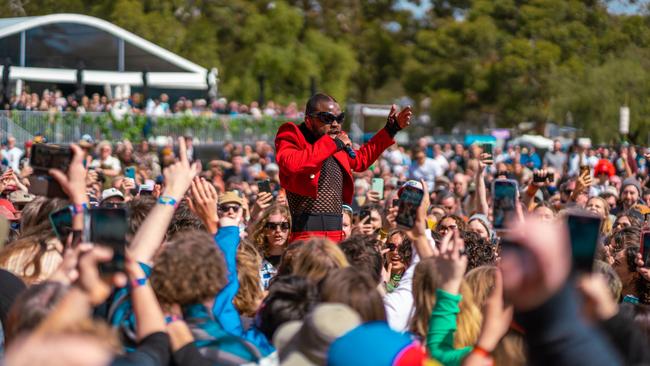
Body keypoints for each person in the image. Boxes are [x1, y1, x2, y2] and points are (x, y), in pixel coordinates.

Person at [275, 93, 411, 242]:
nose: (335, 124)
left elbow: (360, 160)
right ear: (308, 121)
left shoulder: (337, 142)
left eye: (339, 118)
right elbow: (291, 164)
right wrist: (333, 144)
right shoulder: (294, 135)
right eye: (327, 118)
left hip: (337, 235)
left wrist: (391, 130)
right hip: (306, 236)